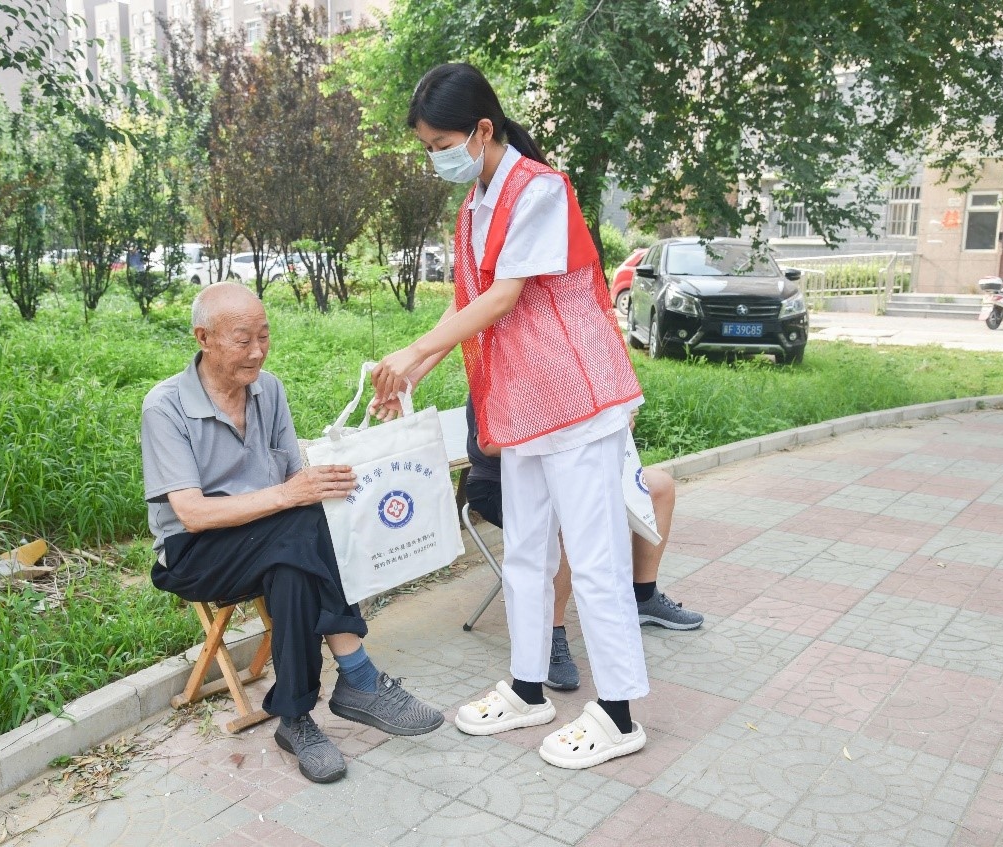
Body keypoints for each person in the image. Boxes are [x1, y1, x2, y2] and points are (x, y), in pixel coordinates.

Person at [370, 63, 648, 770]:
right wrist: (410, 365)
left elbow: (503, 299)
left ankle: (617, 713)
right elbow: (464, 302)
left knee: (593, 560)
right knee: (526, 550)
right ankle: (528, 688)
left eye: (440, 143)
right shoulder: (474, 207)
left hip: (576, 401)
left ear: (482, 130)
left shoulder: (540, 189)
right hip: (522, 405)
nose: (435, 157)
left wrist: (416, 351)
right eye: (427, 146)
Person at [140, 282, 443, 785]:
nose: (257, 351)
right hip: (195, 554)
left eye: (264, 336)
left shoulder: (270, 389)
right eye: (243, 340)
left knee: (293, 561)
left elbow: (289, 476)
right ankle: (359, 678)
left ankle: (296, 719)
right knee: (302, 525)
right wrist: (291, 496)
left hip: (273, 539)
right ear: (203, 337)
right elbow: (191, 513)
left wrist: (335, 461)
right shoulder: (165, 406)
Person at [463, 397, 703, 690]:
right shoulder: (501, 368)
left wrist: (615, 423)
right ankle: (550, 635)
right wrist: (574, 433)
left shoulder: (576, 366)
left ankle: (645, 596)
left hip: (573, 470)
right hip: (499, 484)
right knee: (566, 518)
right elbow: (489, 445)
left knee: (660, 486)